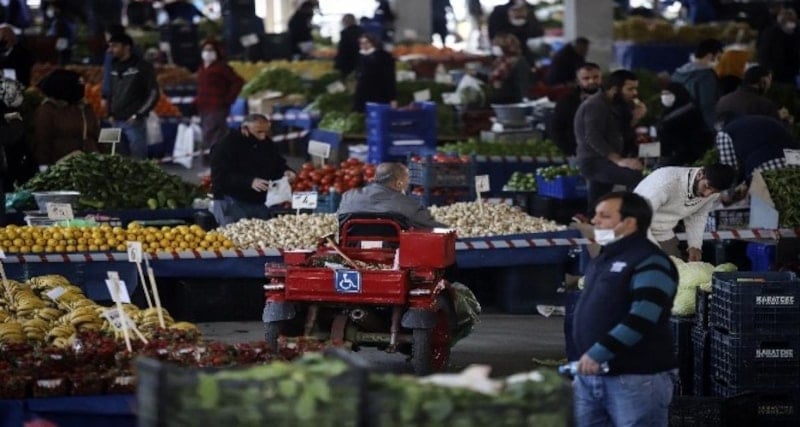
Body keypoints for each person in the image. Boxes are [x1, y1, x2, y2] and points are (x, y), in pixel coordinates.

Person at [572, 191, 678, 427]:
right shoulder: (604, 258)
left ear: (629, 222)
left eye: (604, 216)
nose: (595, 221)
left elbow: (643, 316)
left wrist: (598, 353)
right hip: (592, 375)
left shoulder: (651, 261)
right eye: (596, 215)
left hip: (637, 378)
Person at [574, 69, 645, 213]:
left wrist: (635, 118)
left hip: (605, 160)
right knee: (634, 176)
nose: (635, 93)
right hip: (594, 161)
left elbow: (619, 133)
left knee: (598, 202)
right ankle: (637, 216)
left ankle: (592, 220)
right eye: (630, 89)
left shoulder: (616, 105)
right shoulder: (595, 105)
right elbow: (593, 137)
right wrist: (619, 161)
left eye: (635, 89)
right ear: (615, 89)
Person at [634, 164, 737, 260]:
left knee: (674, 268)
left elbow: (698, 215)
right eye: (706, 187)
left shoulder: (712, 193)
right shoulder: (665, 182)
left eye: (713, 192)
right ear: (700, 174)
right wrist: (655, 250)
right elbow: (638, 220)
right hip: (634, 228)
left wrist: (695, 246)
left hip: (663, 232)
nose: (706, 194)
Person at [210, 114, 296, 226]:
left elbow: (277, 163)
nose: (263, 136)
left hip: (259, 202)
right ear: (245, 129)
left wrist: (286, 171)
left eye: (265, 132)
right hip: (231, 201)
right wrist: (250, 181)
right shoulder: (225, 145)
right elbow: (220, 177)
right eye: (259, 132)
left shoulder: (266, 143)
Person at [338, 162, 447, 229]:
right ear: (399, 183)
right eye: (407, 181)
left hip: (352, 251)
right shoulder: (408, 205)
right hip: (392, 253)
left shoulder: (348, 196)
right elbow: (431, 227)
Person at [31, 69, 100, 169]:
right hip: (61, 168)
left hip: (90, 166)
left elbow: (96, 135)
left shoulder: (85, 108)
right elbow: (42, 141)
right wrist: (44, 166)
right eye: (78, 84)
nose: (82, 88)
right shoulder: (48, 110)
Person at [106, 32, 159, 159]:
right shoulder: (113, 66)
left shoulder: (142, 66)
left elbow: (153, 93)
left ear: (127, 47)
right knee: (115, 157)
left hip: (133, 122)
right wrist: (109, 113)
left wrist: (138, 114)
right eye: (110, 46)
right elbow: (111, 91)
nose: (110, 50)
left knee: (138, 158)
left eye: (115, 46)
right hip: (115, 120)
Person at [196, 39, 244, 162]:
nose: (207, 52)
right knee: (211, 133)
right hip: (204, 106)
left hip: (217, 106)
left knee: (212, 133)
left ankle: (215, 159)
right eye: (205, 49)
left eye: (210, 50)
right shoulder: (203, 68)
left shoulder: (222, 67)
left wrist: (228, 99)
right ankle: (215, 159)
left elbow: (238, 82)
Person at [716, 115, 800, 185]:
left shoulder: (724, 133)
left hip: (767, 166)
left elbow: (729, 172)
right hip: (795, 157)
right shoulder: (760, 119)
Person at [548, 62, 601, 157]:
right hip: (579, 154)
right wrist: (570, 151)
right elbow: (556, 128)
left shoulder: (612, 98)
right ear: (578, 81)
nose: (591, 81)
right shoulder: (567, 101)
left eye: (595, 77)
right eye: (586, 78)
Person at [656, 82, 713, 167]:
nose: (664, 97)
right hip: (672, 155)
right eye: (663, 94)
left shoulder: (688, 111)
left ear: (677, 93)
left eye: (667, 94)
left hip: (685, 156)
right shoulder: (668, 112)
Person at [671, 38, 723, 131]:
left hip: (677, 123)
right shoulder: (706, 76)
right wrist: (714, 129)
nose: (719, 62)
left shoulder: (677, 74)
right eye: (718, 58)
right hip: (698, 127)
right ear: (710, 56)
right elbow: (707, 105)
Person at [715, 65, 792, 125]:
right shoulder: (765, 105)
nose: (769, 86)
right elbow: (775, 131)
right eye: (769, 80)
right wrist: (785, 121)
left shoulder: (723, 101)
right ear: (763, 81)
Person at [352, 33, 396, 112]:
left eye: (366, 42)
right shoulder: (360, 56)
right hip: (362, 94)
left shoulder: (383, 56)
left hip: (379, 93)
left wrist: (392, 98)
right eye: (362, 43)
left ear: (373, 43)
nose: (364, 45)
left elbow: (389, 78)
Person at [489, 2, 543, 66]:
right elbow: (494, 35)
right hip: (505, 56)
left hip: (525, 56)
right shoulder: (499, 11)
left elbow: (538, 33)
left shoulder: (529, 11)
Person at [757, 8, 800, 85]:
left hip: (793, 73)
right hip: (775, 73)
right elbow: (764, 54)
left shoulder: (797, 33)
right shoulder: (770, 33)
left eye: (792, 20)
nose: (790, 22)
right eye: (787, 20)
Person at [489, 33, 530, 104]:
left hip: (511, 100)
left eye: (496, 45)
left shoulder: (516, 61)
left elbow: (520, 85)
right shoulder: (499, 61)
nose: (493, 48)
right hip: (499, 99)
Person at [334, 14, 363, 78]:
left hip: (348, 64)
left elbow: (343, 50)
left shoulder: (345, 33)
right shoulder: (362, 31)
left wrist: (338, 64)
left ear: (345, 22)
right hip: (360, 63)